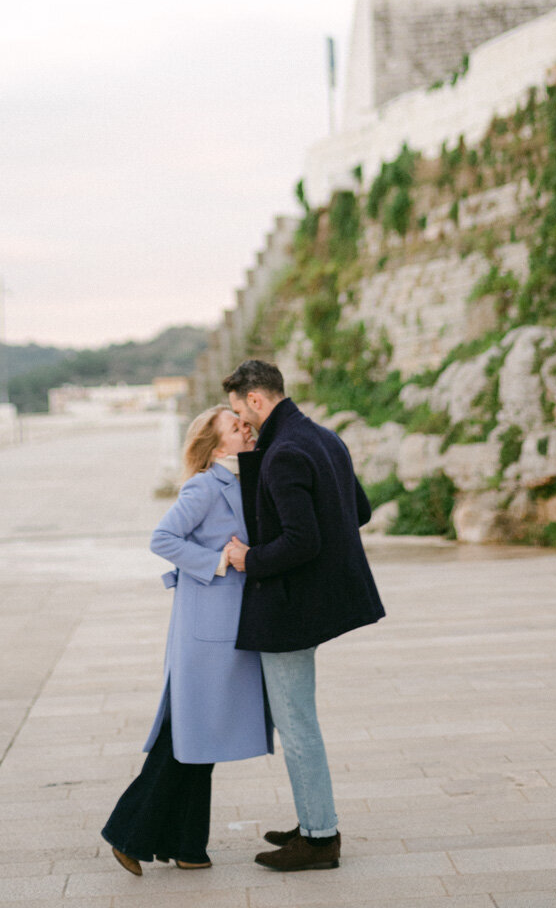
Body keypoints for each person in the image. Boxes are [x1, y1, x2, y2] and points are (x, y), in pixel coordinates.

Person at [223, 358, 385, 872]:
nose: (239, 424)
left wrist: (250, 558)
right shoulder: (323, 437)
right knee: (299, 720)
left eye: (238, 412)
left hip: (292, 609)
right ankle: (314, 818)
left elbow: (302, 539)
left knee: (297, 724)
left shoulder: (283, 452)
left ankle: (319, 839)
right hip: (316, 601)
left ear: (255, 399)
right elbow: (357, 510)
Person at [101, 404, 273, 875]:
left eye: (245, 423)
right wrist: (218, 562)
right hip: (206, 631)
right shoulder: (205, 486)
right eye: (236, 428)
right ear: (218, 447)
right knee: (187, 733)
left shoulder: (243, 481)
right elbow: (163, 538)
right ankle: (126, 833)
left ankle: (188, 845)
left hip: (224, 626)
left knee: (203, 734)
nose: (247, 429)